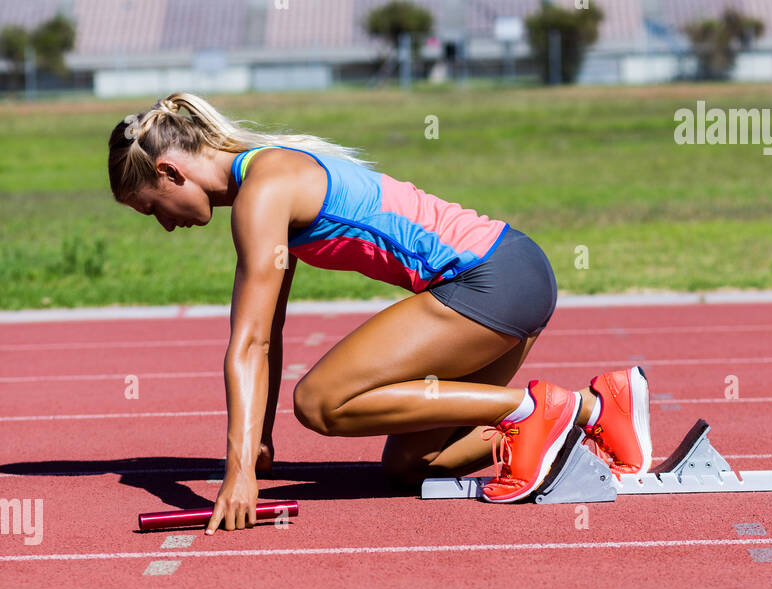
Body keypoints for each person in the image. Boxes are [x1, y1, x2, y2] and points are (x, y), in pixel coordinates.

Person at [108, 93, 651, 530]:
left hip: (491, 281)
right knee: (411, 467)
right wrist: (258, 442)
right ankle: (593, 408)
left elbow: (249, 343)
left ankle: (531, 412)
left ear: (169, 172)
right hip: (517, 275)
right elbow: (267, 328)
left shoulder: (263, 192)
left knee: (320, 402)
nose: (163, 224)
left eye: (151, 207)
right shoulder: (268, 181)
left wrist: (239, 475)